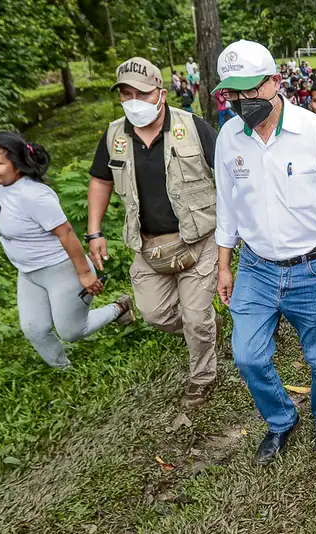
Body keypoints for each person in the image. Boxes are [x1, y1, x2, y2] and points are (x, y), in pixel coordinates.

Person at [212, 40, 316, 463]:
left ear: (275, 82)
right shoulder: (229, 137)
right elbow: (227, 205)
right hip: (255, 268)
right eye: (233, 93)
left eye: (251, 90)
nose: (242, 101)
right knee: (247, 355)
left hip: (312, 268)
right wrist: (224, 265)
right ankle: (280, 419)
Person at [86, 57, 220, 408]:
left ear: (161, 93)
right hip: (148, 245)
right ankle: (202, 329)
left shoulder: (192, 127)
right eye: (126, 94)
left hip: (198, 237)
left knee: (195, 316)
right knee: (155, 314)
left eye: (141, 94)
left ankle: (202, 376)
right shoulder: (116, 135)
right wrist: (94, 232)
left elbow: (227, 175)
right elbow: (100, 179)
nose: (133, 102)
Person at [0, 132, 134, 368]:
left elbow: (66, 233)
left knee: (72, 331)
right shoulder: (0, 185)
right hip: (28, 273)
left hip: (61, 270)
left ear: (17, 164)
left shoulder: (34, 196)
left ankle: (119, 308)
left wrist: (85, 274)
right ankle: (65, 370)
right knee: (34, 329)